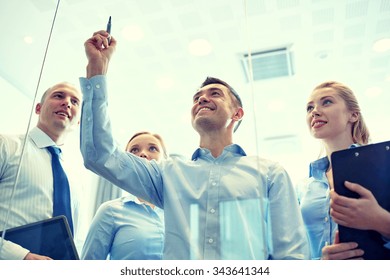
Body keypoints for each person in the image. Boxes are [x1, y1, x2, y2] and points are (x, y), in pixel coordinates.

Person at [79, 30, 310, 260]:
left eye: (215, 94)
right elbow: (99, 154)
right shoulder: (167, 175)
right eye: (197, 97)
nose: (202, 98)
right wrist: (97, 70)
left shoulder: (269, 174)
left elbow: (291, 256)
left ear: (237, 113)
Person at [297, 80, 390, 259]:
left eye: (327, 102)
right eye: (309, 108)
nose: (314, 111)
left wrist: (380, 221)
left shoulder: (384, 166)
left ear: (353, 115)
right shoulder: (304, 186)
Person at [0, 82, 82, 260]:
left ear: (78, 122)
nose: (67, 103)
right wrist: (21, 257)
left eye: (74, 101)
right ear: (38, 108)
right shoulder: (5, 146)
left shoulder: (74, 178)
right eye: (59, 96)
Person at [81, 131, 165, 260]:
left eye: (152, 148)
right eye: (134, 150)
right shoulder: (110, 211)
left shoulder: (181, 212)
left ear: (165, 159)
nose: (142, 153)